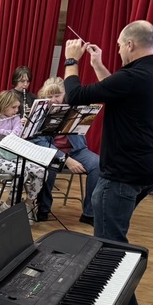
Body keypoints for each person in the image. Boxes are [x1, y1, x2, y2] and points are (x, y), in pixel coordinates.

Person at [64, 20, 153, 305]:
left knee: (110, 242)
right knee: (108, 226)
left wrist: (72, 60)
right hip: (146, 170)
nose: (118, 49)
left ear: (131, 45)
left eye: (120, 45)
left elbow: (75, 97)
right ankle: (106, 291)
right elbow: (113, 90)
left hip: (124, 172)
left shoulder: (135, 76)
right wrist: (97, 63)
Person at [29, 77, 100, 224]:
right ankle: (43, 209)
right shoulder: (40, 113)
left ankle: (89, 213)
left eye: (57, 95)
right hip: (51, 153)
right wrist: (65, 159)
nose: (54, 100)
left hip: (77, 151)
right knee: (49, 170)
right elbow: (40, 142)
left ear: (64, 95)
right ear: (44, 97)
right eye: (50, 97)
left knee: (98, 164)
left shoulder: (74, 108)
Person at [0, 90, 46, 220]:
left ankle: (28, 205)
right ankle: (8, 205)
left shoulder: (16, 118)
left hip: (12, 157)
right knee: (20, 171)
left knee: (42, 170)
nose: (17, 110)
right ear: (4, 105)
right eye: (13, 107)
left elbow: (15, 136)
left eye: (18, 107)